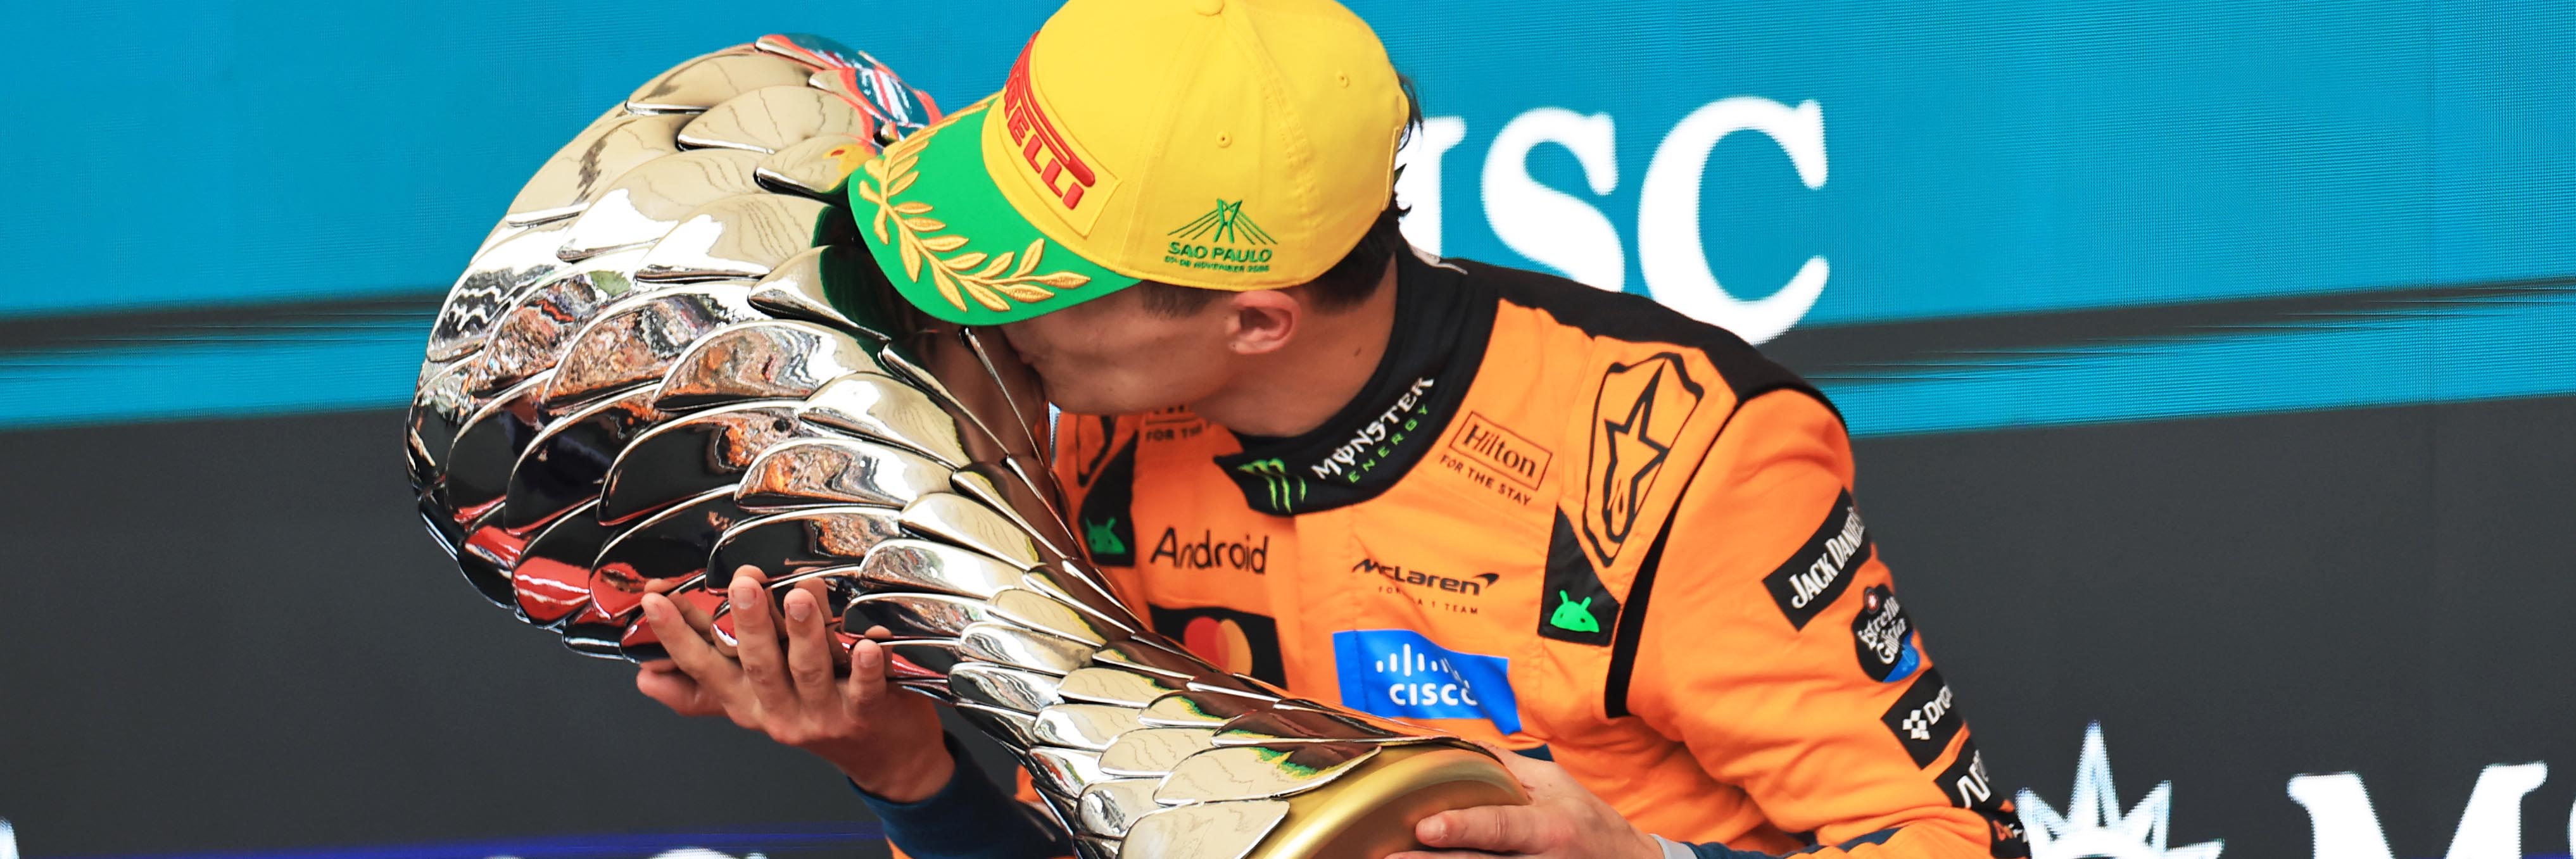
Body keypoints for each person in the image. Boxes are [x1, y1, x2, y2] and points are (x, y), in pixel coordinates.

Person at [633, 1, 2029, 856]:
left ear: (1255, 316)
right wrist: (908, 776)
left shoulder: (1672, 458)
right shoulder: (1051, 442)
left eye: (1037, 282)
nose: (982, 323)